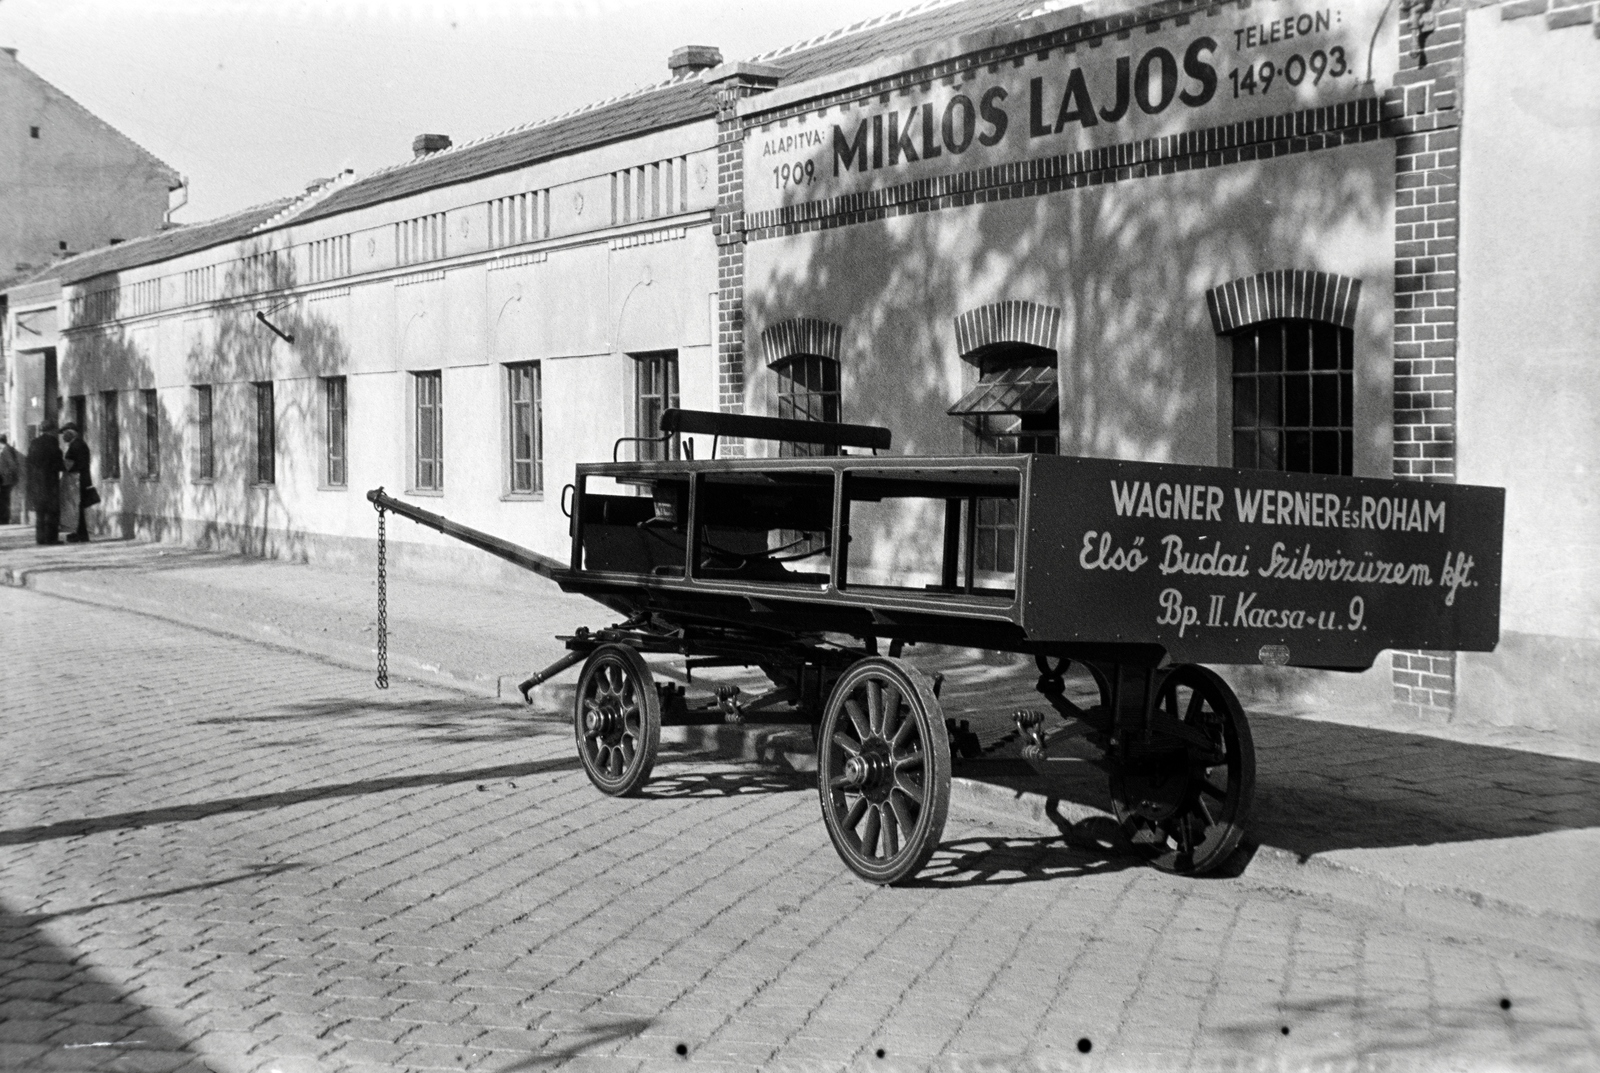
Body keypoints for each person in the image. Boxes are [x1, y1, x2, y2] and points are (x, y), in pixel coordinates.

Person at [25, 421, 64, 545]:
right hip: (50, 481)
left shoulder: (34, 443)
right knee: (52, 511)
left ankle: (40, 538)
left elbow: (29, 462)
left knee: (40, 512)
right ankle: (51, 538)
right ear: (51, 430)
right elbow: (57, 460)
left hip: (37, 482)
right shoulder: (52, 442)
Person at [61, 422, 93, 542]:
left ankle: (81, 534)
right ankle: (81, 533)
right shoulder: (76, 444)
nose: (63, 435)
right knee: (78, 508)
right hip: (78, 479)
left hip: (78, 480)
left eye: (65, 432)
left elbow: (77, 463)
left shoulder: (77, 445)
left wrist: (65, 465)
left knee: (78, 507)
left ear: (71, 432)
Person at [0, 433, 20, 525]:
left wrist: (5, 474)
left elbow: (12, 465)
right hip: (4, 479)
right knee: (4, 500)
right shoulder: (5, 449)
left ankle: (4, 520)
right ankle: (4, 519)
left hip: (5, 480)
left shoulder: (6, 449)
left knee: (4, 500)